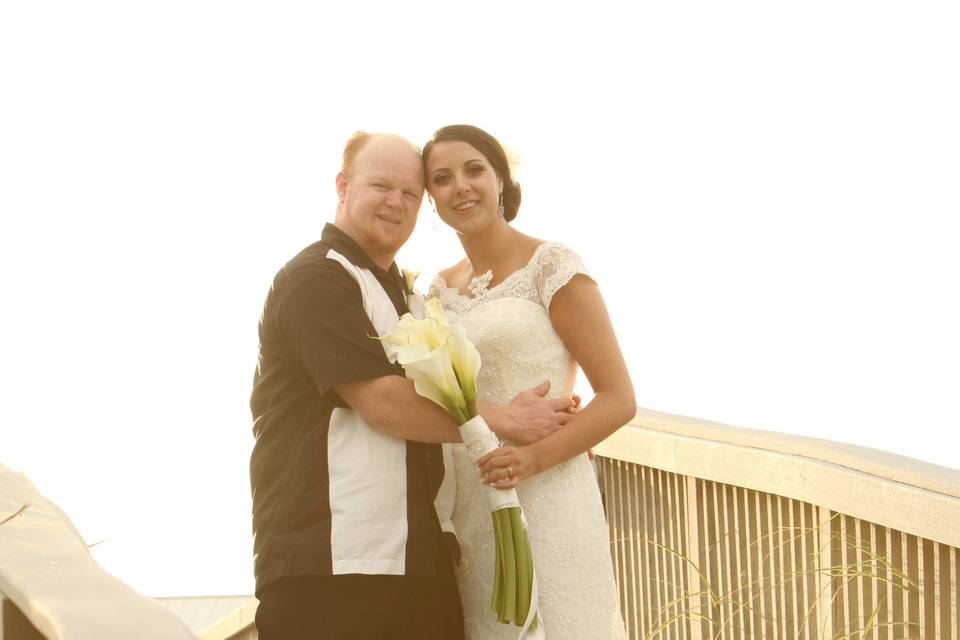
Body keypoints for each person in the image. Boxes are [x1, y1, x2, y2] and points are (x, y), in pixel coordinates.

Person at [249, 131, 575, 639]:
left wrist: (563, 430)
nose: (396, 203)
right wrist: (510, 419)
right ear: (342, 185)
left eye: (409, 193)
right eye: (381, 185)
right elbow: (380, 401)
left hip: (420, 562)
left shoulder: (409, 297)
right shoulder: (315, 278)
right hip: (331, 567)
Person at [423, 124, 637, 639]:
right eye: (443, 178)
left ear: (501, 179)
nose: (462, 187)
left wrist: (533, 458)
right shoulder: (435, 292)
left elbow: (619, 398)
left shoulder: (551, 265)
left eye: (474, 170)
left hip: (550, 494)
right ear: (431, 198)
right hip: (474, 505)